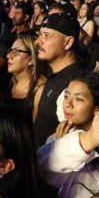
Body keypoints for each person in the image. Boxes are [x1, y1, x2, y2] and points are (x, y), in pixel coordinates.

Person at [33, 13, 88, 142]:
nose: (38, 41)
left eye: (46, 36)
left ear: (67, 42)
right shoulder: (57, 74)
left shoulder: (75, 82)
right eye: (40, 35)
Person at [4, 32, 47, 121]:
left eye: (15, 52)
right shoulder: (13, 80)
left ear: (31, 59)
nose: (8, 56)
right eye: (10, 51)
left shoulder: (40, 90)